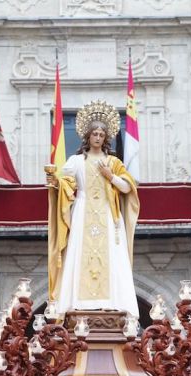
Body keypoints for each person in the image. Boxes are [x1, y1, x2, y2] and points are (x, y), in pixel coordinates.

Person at [47, 100, 140, 317]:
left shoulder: (113, 162)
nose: (98, 137)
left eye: (101, 134)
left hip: (107, 215)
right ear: (87, 136)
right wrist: (54, 180)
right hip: (82, 213)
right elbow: (63, 183)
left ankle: (113, 301)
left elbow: (128, 187)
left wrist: (111, 177)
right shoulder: (76, 161)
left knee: (111, 255)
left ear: (105, 138)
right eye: (94, 133)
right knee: (79, 252)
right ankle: (77, 302)